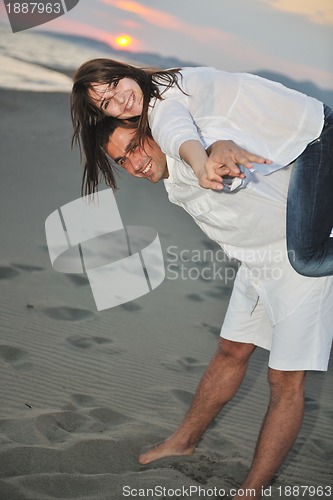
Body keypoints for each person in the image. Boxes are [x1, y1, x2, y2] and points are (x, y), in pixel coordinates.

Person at [96, 119, 333, 499]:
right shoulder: (172, 173)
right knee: (230, 351)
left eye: (136, 146)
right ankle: (183, 441)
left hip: (302, 259)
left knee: (285, 382)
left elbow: (219, 151)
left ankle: (251, 491)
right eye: (122, 160)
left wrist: (221, 149)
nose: (135, 163)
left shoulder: (195, 155)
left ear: (155, 134)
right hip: (257, 263)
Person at [71, 58, 333, 277]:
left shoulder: (163, 104)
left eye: (115, 85)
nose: (120, 100)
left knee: (306, 258)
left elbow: (177, 133)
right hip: (305, 131)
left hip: (314, 135)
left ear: (125, 72)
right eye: (107, 104)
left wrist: (200, 166)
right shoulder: (167, 81)